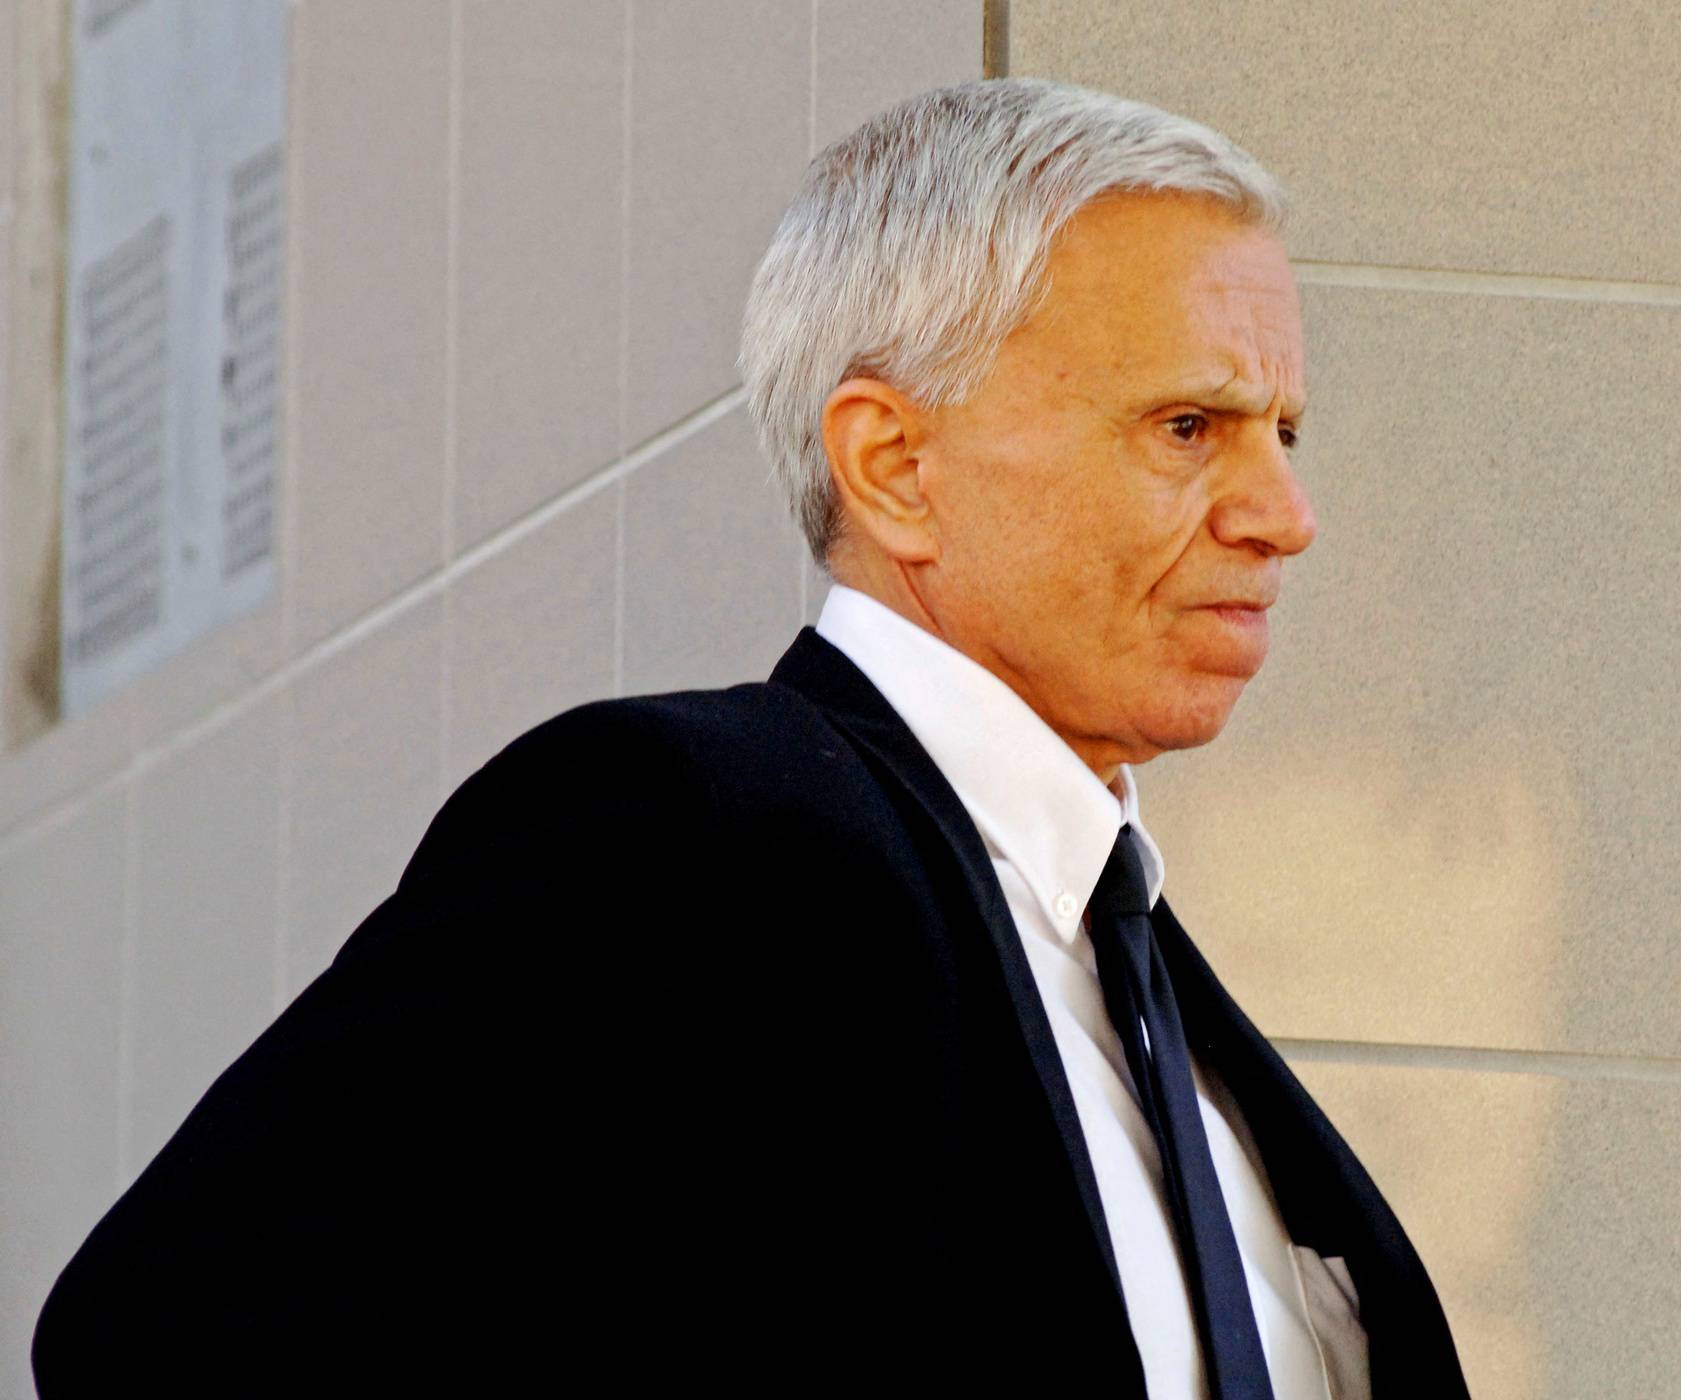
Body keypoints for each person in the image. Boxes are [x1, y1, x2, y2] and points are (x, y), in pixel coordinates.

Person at [32, 78, 1467, 1398]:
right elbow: (172, 1328)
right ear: (895, 467)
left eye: (1285, 431)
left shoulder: (1138, 980)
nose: (1282, 515)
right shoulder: (692, 833)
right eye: (1186, 429)